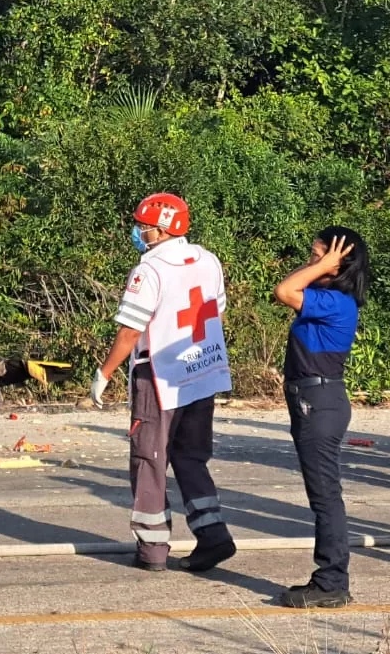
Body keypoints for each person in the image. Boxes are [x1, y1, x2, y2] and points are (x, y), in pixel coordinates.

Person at [90, 193, 236, 573]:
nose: (139, 232)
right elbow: (216, 311)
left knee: (148, 459)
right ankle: (213, 534)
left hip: (159, 376)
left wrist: (104, 372)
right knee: (190, 456)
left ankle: (153, 550)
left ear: (162, 228)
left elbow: (130, 330)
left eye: (144, 226)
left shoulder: (149, 270)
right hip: (202, 372)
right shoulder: (208, 259)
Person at [271, 226, 370, 608]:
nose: (310, 262)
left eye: (318, 256)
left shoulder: (337, 302)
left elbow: (284, 291)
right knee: (323, 495)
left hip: (320, 400)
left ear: (338, 262)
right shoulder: (325, 296)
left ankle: (331, 581)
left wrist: (326, 264)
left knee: (326, 497)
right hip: (311, 398)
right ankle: (330, 578)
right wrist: (322, 264)